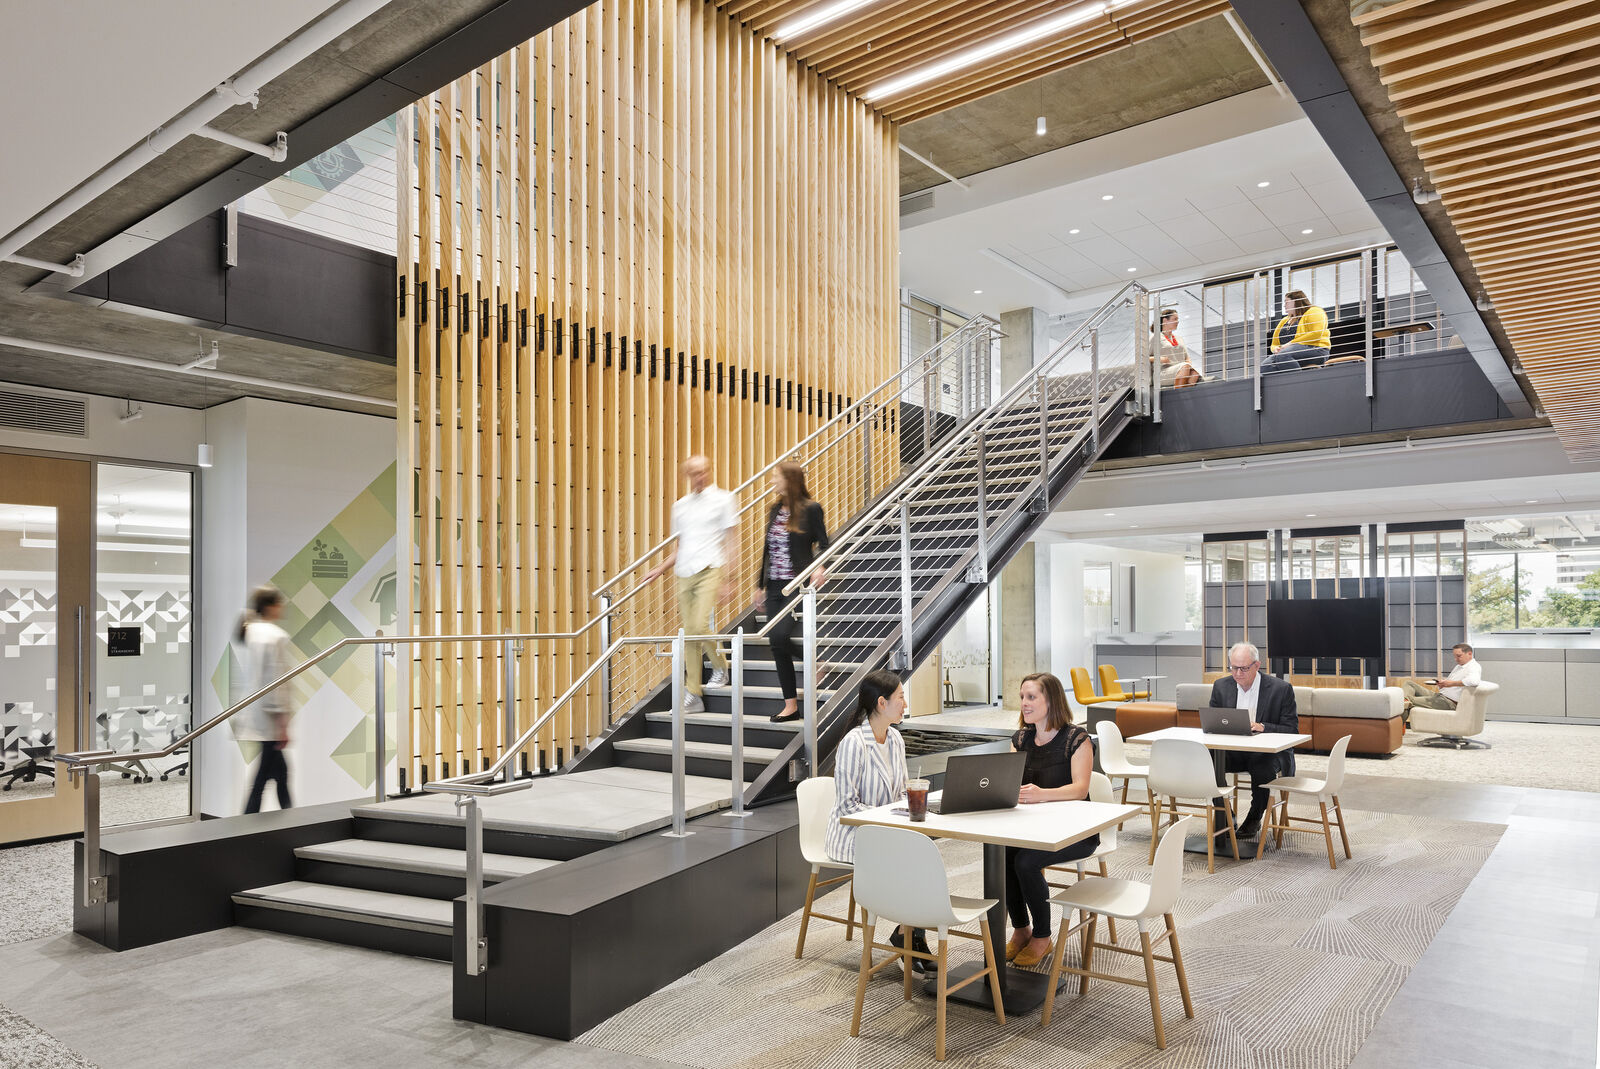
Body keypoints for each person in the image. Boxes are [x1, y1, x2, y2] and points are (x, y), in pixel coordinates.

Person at [824, 669, 934, 972]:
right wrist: (891, 816)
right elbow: (847, 806)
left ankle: (907, 933)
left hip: (887, 827)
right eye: (901, 698)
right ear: (882, 703)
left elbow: (900, 791)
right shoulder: (853, 743)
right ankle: (908, 936)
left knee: (923, 854)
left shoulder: (895, 738)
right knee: (915, 859)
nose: (906, 705)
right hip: (855, 834)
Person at [1004, 672, 1098, 968]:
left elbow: (1080, 788)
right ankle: (1022, 930)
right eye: (1022, 697)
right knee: (1002, 855)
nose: (1024, 704)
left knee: (1026, 862)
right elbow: (1008, 783)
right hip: (1033, 829)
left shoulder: (1076, 739)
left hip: (1076, 832)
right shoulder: (1020, 739)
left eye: (1031, 697)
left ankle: (1043, 936)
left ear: (1051, 700)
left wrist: (1042, 794)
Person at [644, 455, 738, 712]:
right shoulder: (680, 506)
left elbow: (731, 542)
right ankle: (693, 694)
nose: (701, 476)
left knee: (698, 626)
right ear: (688, 475)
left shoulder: (724, 499)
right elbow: (680, 546)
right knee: (689, 635)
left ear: (710, 470)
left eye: (704, 470)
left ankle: (721, 666)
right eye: (695, 472)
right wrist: (660, 569)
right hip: (684, 572)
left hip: (711, 568)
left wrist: (730, 579)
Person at [756, 461, 828, 723]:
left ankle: (813, 664)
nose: (773, 481)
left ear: (790, 480)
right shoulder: (775, 509)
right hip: (774, 584)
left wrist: (819, 566)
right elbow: (766, 550)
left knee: (780, 635)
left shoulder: (811, 509)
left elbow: (824, 543)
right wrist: (759, 585)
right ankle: (790, 705)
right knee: (777, 643)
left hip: (797, 584)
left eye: (776, 477)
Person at [1207, 642, 1298, 841]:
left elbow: (1292, 730)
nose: (1238, 673)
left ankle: (1255, 816)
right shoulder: (1221, 687)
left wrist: (1263, 727)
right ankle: (1225, 812)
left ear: (1257, 666)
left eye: (1244, 668)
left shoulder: (1280, 689)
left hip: (1268, 754)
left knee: (1261, 765)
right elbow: (1212, 723)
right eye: (1233, 667)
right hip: (1233, 750)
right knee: (1207, 760)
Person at [237, 585, 295, 814]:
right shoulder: (275, 636)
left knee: (280, 773)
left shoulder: (251, 633)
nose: (282, 608)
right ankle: (249, 821)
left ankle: (291, 817)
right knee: (265, 777)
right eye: (279, 603)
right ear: (270, 606)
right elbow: (277, 682)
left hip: (254, 713)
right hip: (269, 717)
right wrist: (282, 724)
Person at [1261, 289, 1331, 373]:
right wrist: (1275, 349)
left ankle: (1298, 382)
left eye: (1287, 302)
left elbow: (1316, 333)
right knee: (1265, 367)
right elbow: (1274, 343)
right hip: (1286, 354)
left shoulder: (1314, 311)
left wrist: (1290, 344)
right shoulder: (1284, 321)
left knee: (1283, 355)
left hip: (1316, 349)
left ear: (1296, 301)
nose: (1284, 305)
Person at [1402, 643, 1481, 712]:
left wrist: (1451, 684)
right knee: (1409, 684)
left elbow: (1474, 681)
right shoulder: (1458, 667)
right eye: (1454, 656)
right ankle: (1404, 704)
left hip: (1448, 703)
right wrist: (1443, 684)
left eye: (1459, 656)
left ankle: (1399, 723)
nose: (1456, 659)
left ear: (1469, 654)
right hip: (1440, 696)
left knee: (1407, 700)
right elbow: (1450, 684)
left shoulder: (1474, 667)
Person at [1153, 307, 1206, 388]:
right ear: (1165, 321)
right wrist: (1159, 358)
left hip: (1182, 369)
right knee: (1185, 367)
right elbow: (1143, 358)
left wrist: (1188, 364)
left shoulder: (1179, 339)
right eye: (1175, 319)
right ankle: (1179, 394)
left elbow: (1187, 357)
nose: (1177, 321)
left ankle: (1183, 395)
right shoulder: (1155, 337)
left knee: (1194, 374)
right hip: (1164, 372)